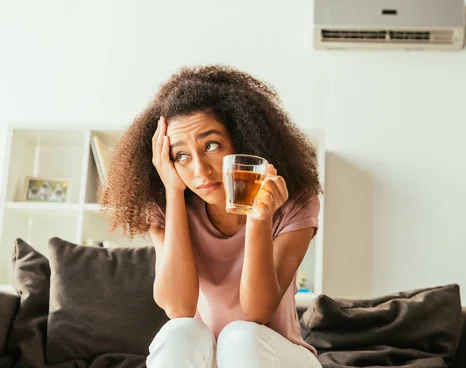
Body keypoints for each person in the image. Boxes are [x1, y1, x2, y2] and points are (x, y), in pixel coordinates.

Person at [100, 65, 322, 368]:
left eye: (212, 145)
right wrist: (174, 193)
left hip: (275, 357)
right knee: (180, 332)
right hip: (207, 359)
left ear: (243, 142)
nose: (200, 170)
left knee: (240, 336)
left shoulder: (294, 203)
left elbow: (257, 312)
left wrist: (260, 218)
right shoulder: (166, 208)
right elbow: (179, 307)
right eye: (181, 155)